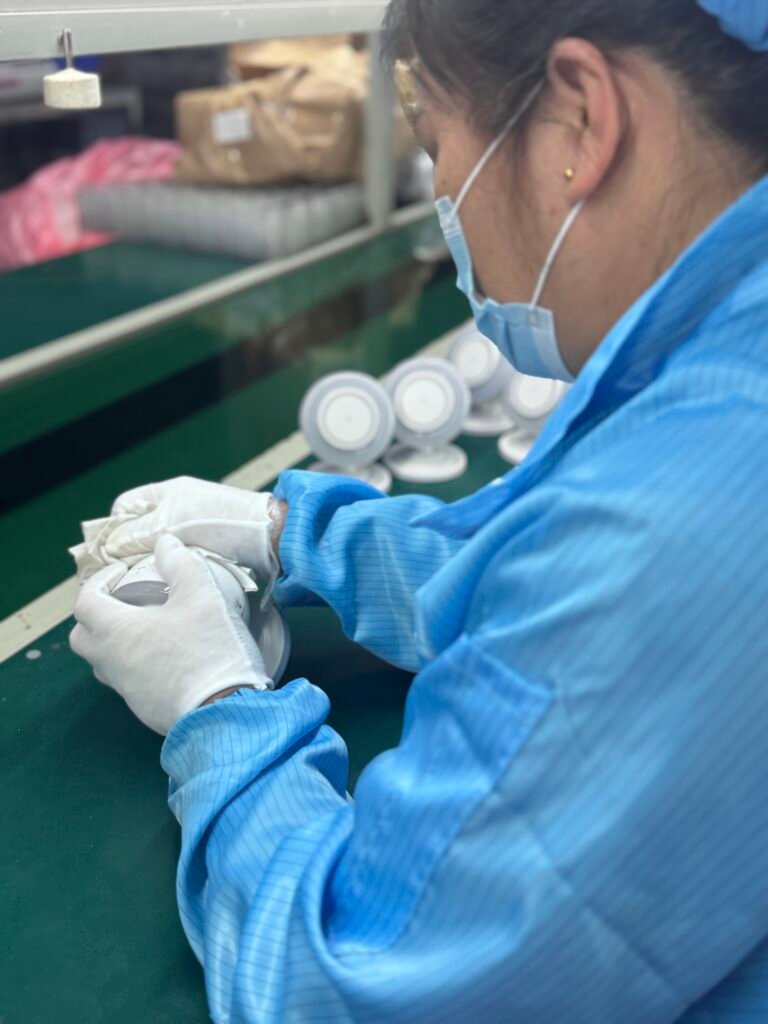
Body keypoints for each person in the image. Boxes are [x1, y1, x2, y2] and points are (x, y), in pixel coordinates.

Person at [70, 1, 768, 1021]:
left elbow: (341, 982)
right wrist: (283, 529)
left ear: (580, 119)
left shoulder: (689, 509)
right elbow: (535, 553)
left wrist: (217, 706)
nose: (445, 197)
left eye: (440, 146)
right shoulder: (723, 342)